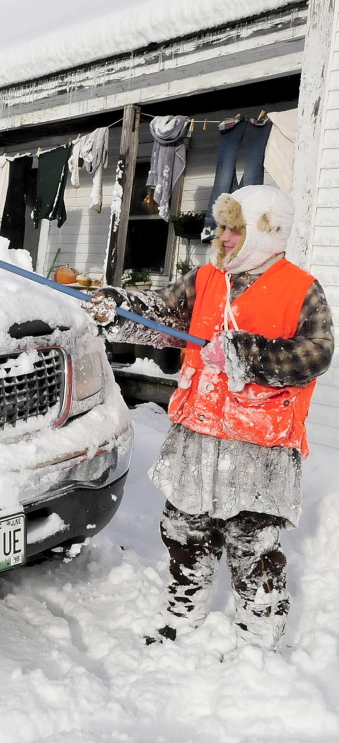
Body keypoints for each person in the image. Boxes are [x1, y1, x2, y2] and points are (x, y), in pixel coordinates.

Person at [84, 185, 334, 650]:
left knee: (252, 544)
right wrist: (117, 308)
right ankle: (183, 615)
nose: (222, 236)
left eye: (234, 228)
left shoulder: (300, 288)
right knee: (184, 530)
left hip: (260, 444)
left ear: (264, 232)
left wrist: (245, 353)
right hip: (199, 433)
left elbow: (316, 354)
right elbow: (163, 314)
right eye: (221, 226)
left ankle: (258, 638)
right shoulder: (206, 279)